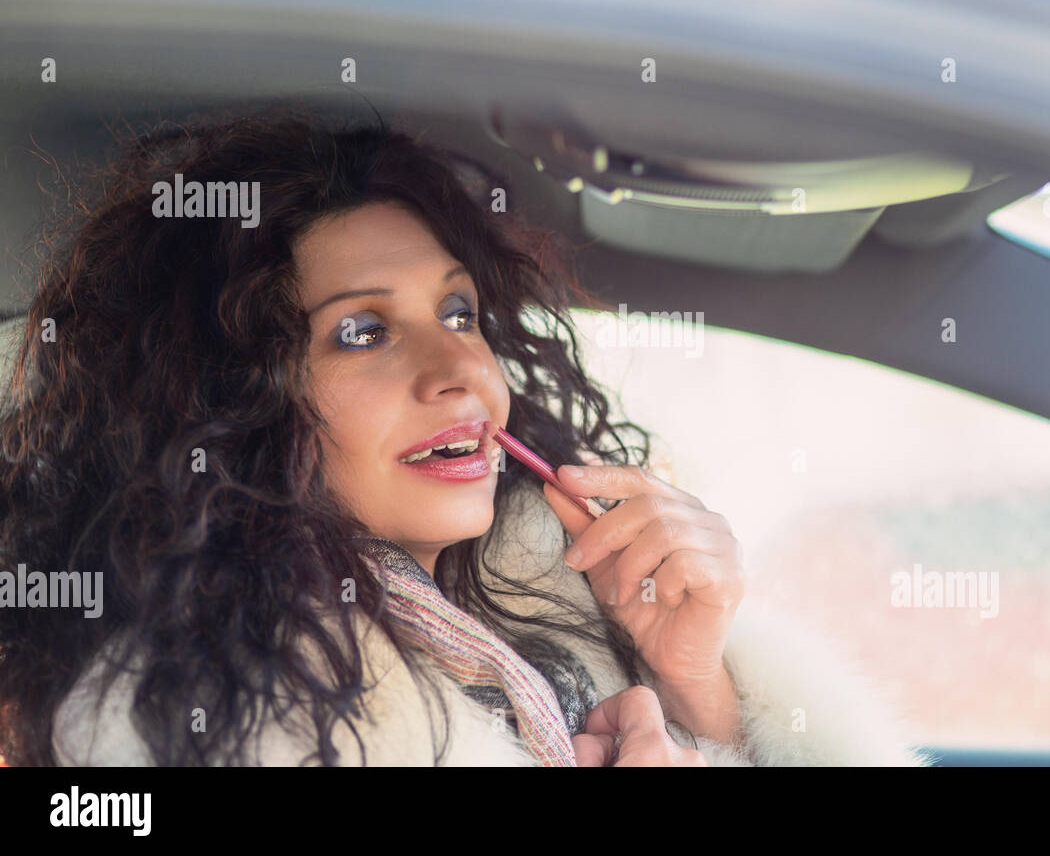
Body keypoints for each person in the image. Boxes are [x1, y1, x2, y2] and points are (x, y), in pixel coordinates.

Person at [0, 108, 927, 766]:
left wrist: (699, 687)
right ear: (232, 402)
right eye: (362, 330)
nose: (461, 372)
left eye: (459, 312)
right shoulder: (188, 714)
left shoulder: (565, 595)